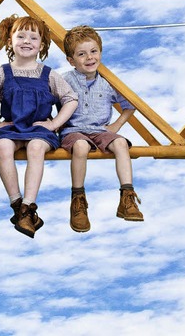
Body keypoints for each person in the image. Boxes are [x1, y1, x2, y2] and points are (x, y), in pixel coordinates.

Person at [0, 14, 78, 238]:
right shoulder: (3, 72)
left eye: (33, 37)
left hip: (40, 131)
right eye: (20, 36)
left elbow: (71, 99)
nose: (27, 41)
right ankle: (16, 202)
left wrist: (53, 124)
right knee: (2, 146)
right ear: (10, 41)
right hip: (12, 129)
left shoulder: (48, 74)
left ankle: (29, 205)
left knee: (35, 148)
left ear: (42, 44)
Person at [60, 25, 143, 233]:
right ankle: (78, 199)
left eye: (94, 51)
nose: (89, 57)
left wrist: (116, 125)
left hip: (100, 130)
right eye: (81, 54)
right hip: (73, 130)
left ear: (100, 53)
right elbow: (48, 101)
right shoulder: (64, 80)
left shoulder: (107, 82)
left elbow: (130, 104)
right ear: (71, 60)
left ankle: (127, 197)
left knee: (121, 143)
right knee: (80, 146)